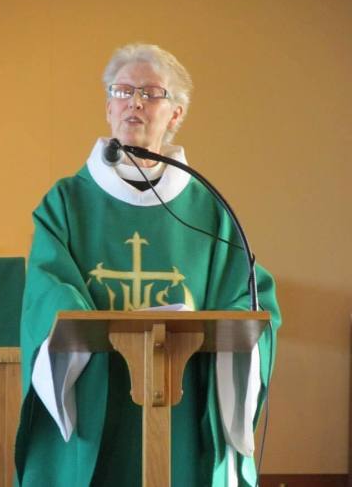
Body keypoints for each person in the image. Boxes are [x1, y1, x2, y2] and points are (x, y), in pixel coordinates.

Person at [14, 43, 281, 486]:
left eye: (151, 93)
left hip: (185, 398)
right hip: (96, 390)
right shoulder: (66, 202)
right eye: (122, 91)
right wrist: (88, 323)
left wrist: (241, 330)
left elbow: (250, 293)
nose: (134, 102)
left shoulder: (209, 209)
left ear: (176, 115)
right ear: (107, 107)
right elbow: (48, 283)